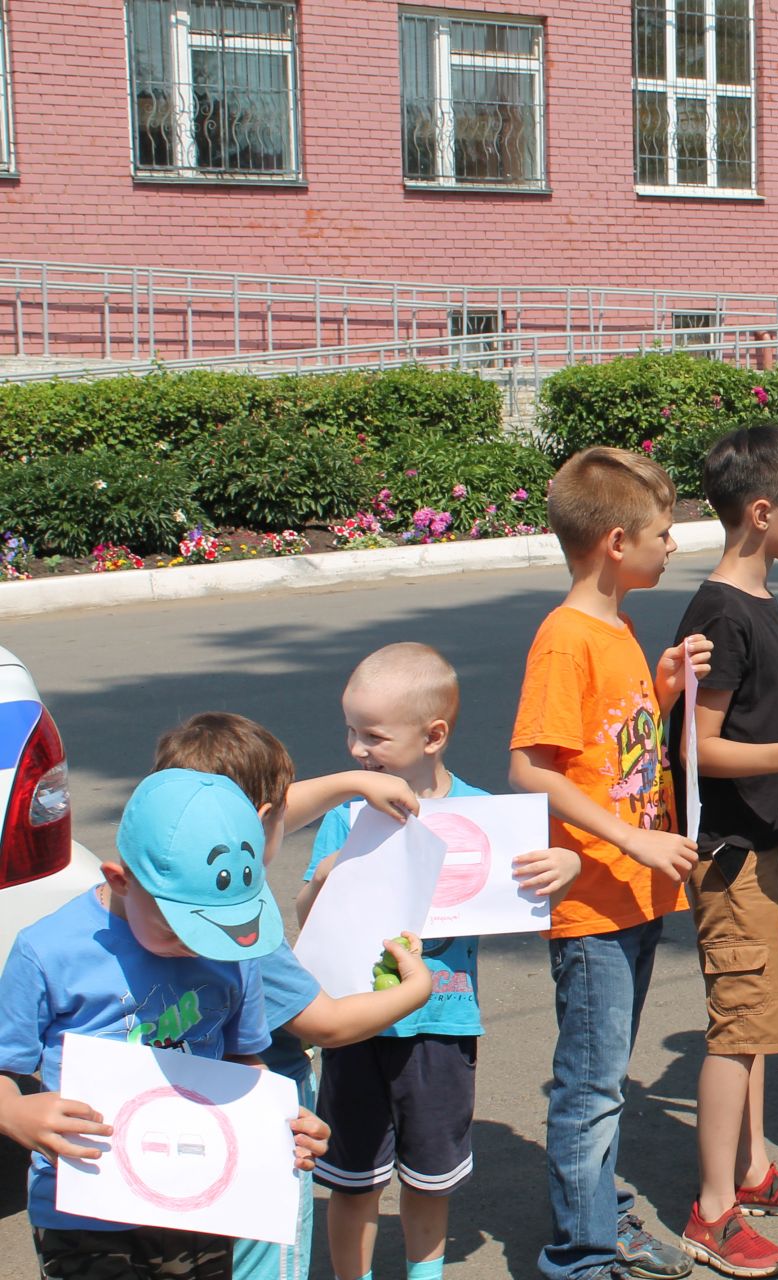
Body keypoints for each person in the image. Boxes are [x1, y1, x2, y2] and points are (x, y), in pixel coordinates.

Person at [298, 644, 579, 1280]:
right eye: (351, 730)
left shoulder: (484, 814)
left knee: (430, 1179)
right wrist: (322, 881)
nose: (355, 749)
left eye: (372, 735)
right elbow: (307, 917)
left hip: (443, 1026)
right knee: (353, 1180)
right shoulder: (346, 818)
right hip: (356, 1026)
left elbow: (540, 873)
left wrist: (569, 865)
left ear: (434, 736)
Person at [0, 768, 330, 1280]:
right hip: (84, 1208)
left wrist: (286, 1119)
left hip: (200, 1199)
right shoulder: (46, 951)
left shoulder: (233, 952)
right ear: (119, 881)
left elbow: (245, 1061)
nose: (203, 946)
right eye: (183, 928)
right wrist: (15, 1115)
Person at [509, 446, 709, 1280]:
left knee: (605, 1081)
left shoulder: (617, 628)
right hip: (595, 901)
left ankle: (604, 1218)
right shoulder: (566, 640)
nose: (675, 547)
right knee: (589, 1089)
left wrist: (660, 689)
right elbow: (531, 768)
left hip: (634, 895)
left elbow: (610, 749)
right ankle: (582, 1255)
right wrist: (634, 841)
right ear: (616, 542)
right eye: (664, 534)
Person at [153, 712, 438, 1280]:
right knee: (262, 1260)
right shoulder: (240, 927)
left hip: (166, 1114)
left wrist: (352, 783)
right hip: (261, 1118)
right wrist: (415, 988)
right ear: (261, 821)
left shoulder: (151, 878)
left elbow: (266, 811)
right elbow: (328, 1023)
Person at [669, 426, 778, 1277]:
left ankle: (755, 1168)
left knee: (762, 1022)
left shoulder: (761, 597)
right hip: (732, 849)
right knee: (737, 1030)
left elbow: (752, 715)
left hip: (768, 838)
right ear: (763, 511)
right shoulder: (720, 611)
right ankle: (712, 1209)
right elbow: (698, 747)